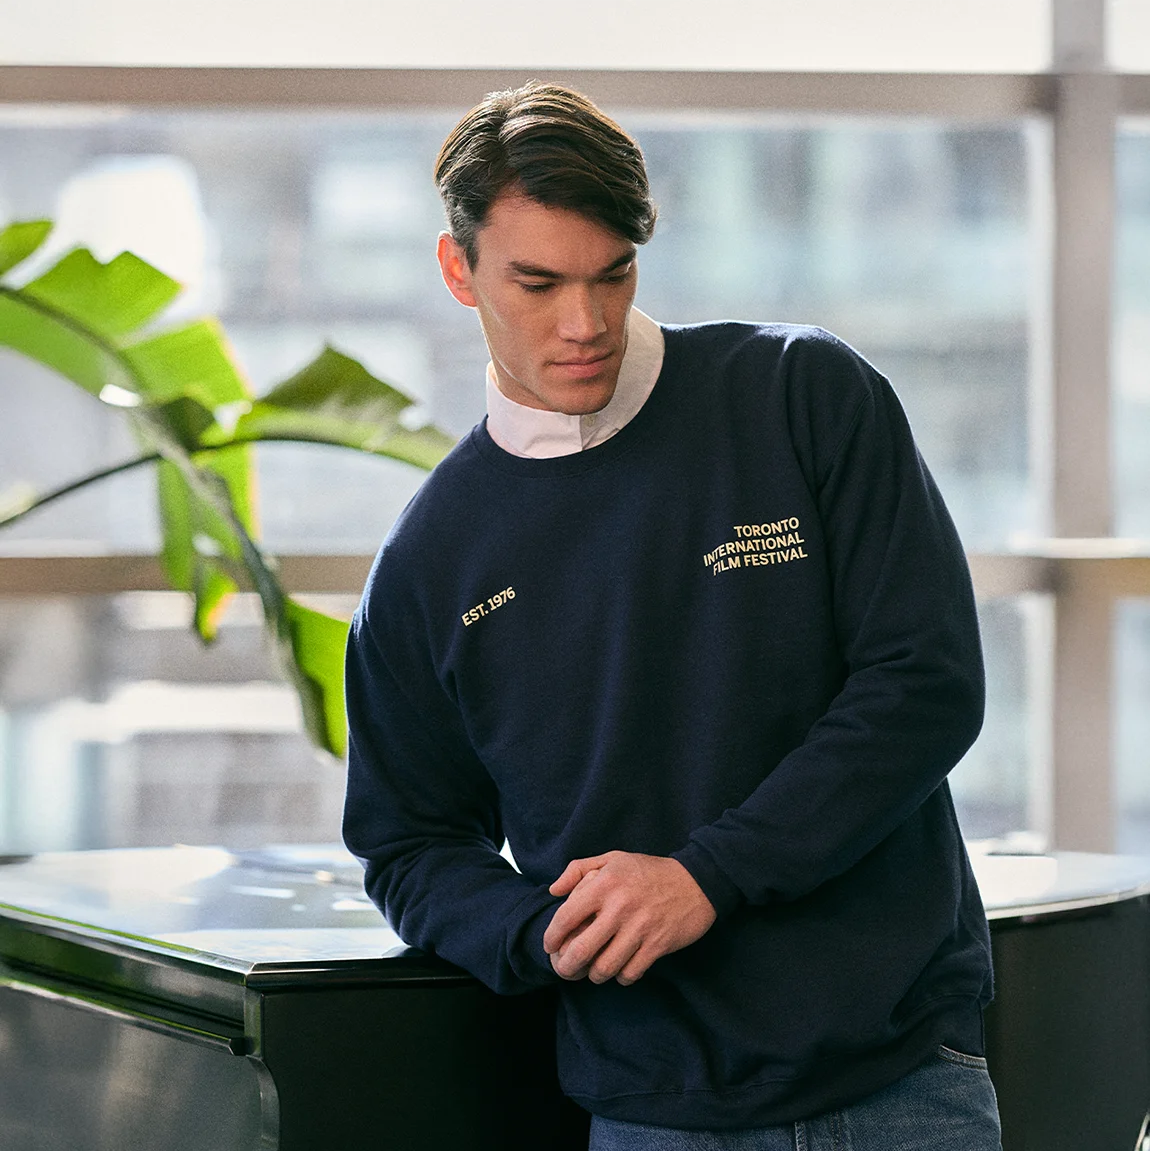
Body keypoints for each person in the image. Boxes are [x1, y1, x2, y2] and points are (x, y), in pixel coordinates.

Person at [342, 81, 1001, 1150]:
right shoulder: (429, 560)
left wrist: (708, 875)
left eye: (612, 275)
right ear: (457, 271)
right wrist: (540, 932)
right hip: (656, 1103)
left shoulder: (802, 395)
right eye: (537, 282)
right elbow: (409, 839)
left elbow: (924, 683)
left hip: (903, 1074)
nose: (583, 322)